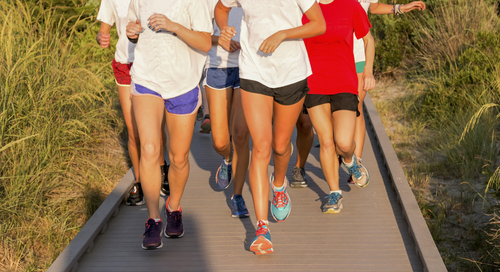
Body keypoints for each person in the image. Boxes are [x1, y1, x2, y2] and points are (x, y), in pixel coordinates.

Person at [215, 0, 325, 255]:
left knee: (280, 145)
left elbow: (319, 24)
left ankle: (278, 185)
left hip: (291, 72)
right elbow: (221, 8)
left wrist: (284, 34)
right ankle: (262, 228)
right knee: (262, 147)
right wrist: (224, 28)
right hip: (254, 71)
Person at [126, 0, 212, 250]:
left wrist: (173, 26)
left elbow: (206, 42)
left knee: (179, 157)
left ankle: (174, 206)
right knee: (150, 149)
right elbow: (135, 29)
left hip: (183, 82)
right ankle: (153, 219)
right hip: (146, 79)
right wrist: (132, 33)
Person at [302, 0, 374, 213]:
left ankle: (351, 162)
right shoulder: (304, 7)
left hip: (344, 81)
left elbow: (368, 40)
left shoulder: (350, 5)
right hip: (314, 83)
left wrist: (368, 71)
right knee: (325, 141)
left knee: (342, 143)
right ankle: (334, 193)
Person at [96, 0, 169, 206]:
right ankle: (138, 180)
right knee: (133, 130)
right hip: (124, 63)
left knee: (155, 127)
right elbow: (103, 30)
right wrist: (101, 37)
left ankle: (162, 168)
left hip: (151, 62)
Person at [346, 0, 426, 185]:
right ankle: (340, 148)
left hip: (358, 56)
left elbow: (373, 8)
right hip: (331, 56)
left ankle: (355, 164)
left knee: (355, 106)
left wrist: (399, 8)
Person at [205, 0, 250, 218]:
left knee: (241, 135)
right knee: (220, 141)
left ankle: (238, 196)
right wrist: (220, 39)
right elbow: (198, 32)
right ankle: (228, 159)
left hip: (248, 65)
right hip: (217, 65)